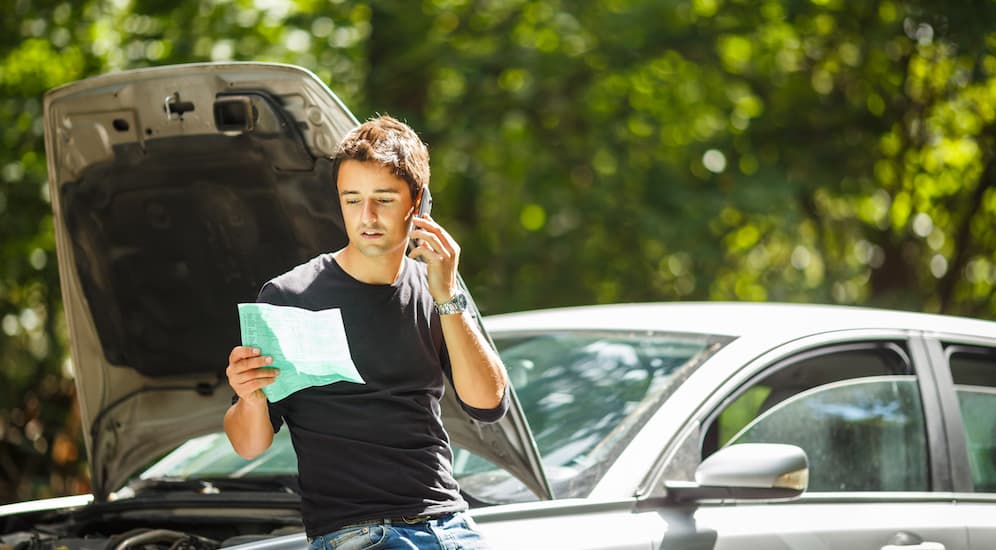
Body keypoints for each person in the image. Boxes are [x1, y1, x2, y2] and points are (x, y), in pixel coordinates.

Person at [223, 115, 509, 549]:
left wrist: (447, 294)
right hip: (358, 533)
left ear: (418, 204)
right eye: (352, 200)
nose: (367, 216)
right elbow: (248, 445)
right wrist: (248, 396)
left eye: (384, 199)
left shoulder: (436, 289)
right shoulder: (290, 294)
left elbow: (489, 404)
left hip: (450, 524)